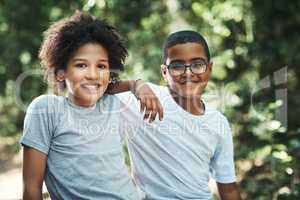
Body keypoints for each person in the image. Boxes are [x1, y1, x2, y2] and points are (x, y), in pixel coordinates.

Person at [20, 11, 163, 200]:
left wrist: (136, 84)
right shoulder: (46, 109)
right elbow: (31, 188)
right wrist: (132, 84)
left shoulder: (113, 105)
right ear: (61, 72)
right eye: (81, 65)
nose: (93, 75)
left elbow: (104, 87)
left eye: (101, 66)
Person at [116, 30, 241, 200]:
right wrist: (134, 85)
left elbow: (228, 189)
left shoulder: (218, 122)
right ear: (164, 72)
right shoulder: (143, 99)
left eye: (197, 64)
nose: (188, 73)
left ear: (209, 68)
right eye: (177, 66)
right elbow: (97, 86)